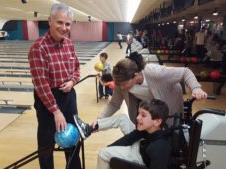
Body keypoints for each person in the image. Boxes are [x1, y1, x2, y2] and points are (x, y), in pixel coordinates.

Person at [74, 51, 207, 139]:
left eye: (124, 84)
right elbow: (114, 104)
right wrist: (100, 119)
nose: (121, 87)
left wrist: (196, 88)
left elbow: (185, 72)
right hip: (149, 115)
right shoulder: (122, 83)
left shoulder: (154, 72)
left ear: (136, 76)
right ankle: (90, 128)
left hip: (169, 110)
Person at [28, 3, 81, 169]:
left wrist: (72, 81)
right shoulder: (39, 48)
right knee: (46, 143)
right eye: (60, 22)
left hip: (68, 96)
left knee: (72, 140)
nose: (64, 27)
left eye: (67, 24)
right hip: (47, 100)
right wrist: (56, 111)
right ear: (49, 21)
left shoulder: (69, 43)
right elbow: (41, 84)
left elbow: (77, 68)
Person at [97, 99, 171, 169]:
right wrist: (111, 147)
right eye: (139, 114)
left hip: (139, 155)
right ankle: (91, 128)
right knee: (122, 118)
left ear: (157, 122)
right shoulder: (151, 128)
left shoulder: (158, 147)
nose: (137, 118)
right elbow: (130, 138)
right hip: (141, 144)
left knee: (103, 153)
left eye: (143, 115)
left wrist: (109, 149)